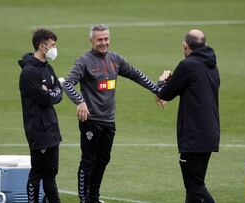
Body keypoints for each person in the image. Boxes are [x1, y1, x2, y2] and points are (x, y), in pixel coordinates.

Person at [61, 24, 164, 203]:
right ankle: (84, 199)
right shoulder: (84, 61)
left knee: (103, 160)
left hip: (109, 120)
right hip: (91, 120)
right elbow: (68, 83)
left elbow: (136, 74)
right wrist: (80, 101)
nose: (103, 43)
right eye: (99, 39)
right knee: (88, 161)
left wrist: (157, 90)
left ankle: (93, 197)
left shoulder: (115, 59)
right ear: (91, 40)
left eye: (106, 39)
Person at [156, 29, 220, 203]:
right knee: (194, 188)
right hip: (209, 133)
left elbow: (166, 93)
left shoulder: (188, 65)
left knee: (194, 186)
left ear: (185, 45)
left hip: (194, 135)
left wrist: (162, 80)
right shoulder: (212, 65)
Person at [18, 28, 62, 203]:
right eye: (53, 45)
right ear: (43, 46)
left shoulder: (47, 68)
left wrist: (52, 93)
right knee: (37, 174)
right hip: (38, 130)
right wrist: (52, 93)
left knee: (51, 174)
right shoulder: (29, 72)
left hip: (52, 129)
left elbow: (58, 91)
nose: (55, 48)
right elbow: (44, 99)